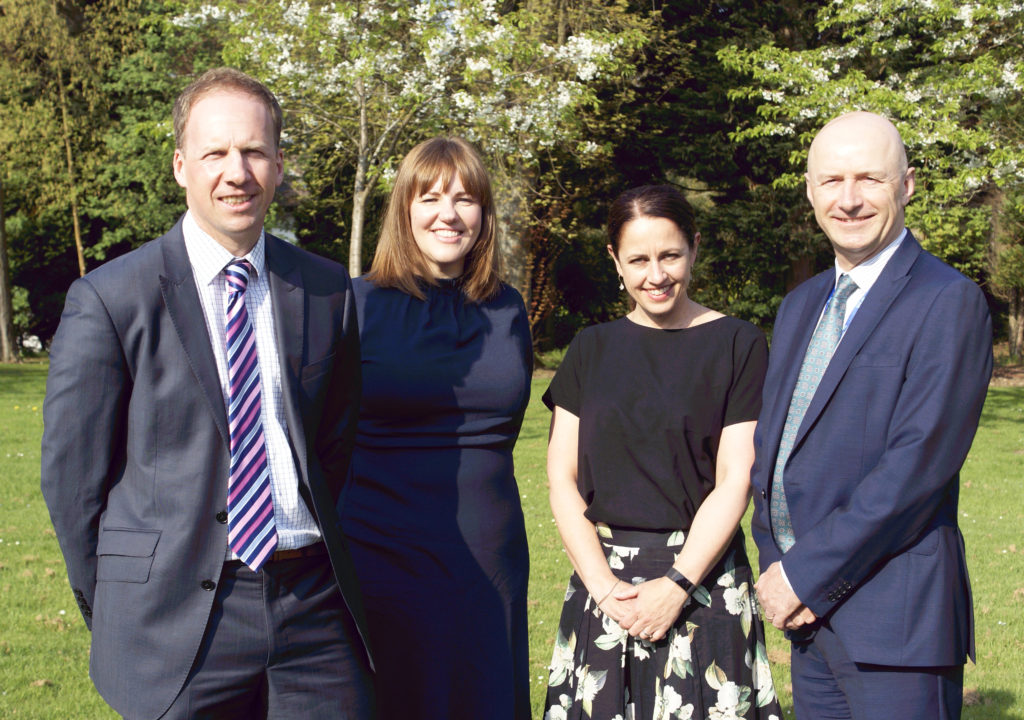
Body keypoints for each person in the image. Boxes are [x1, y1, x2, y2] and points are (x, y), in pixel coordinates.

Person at [40, 67, 373, 719]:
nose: (236, 172)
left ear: (278, 165)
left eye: (253, 151)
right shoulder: (110, 298)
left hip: (312, 610)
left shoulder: (327, 289)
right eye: (215, 153)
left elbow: (336, 445)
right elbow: (73, 484)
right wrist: (120, 602)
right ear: (180, 167)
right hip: (176, 620)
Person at [752, 111, 992, 718]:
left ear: (906, 186)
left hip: (895, 624)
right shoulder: (801, 305)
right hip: (809, 622)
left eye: (870, 179)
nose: (850, 199)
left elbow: (915, 469)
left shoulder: (948, 301)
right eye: (832, 181)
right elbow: (774, 448)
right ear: (811, 192)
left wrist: (804, 574)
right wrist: (778, 565)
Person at [543, 184, 782, 720]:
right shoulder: (590, 348)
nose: (656, 275)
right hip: (605, 585)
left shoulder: (739, 343)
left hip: (704, 582)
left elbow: (735, 478)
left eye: (670, 255)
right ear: (615, 260)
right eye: (638, 260)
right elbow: (562, 478)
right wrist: (605, 589)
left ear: (694, 248)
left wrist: (677, 586)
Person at [338, 136, 533, 719]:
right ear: (404, 208)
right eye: (430, 198)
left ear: (484, 214)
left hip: (490, 552)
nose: (449, 214)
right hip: (380, 550)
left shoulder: (509, 308)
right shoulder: (353, 305)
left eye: (465, 199)